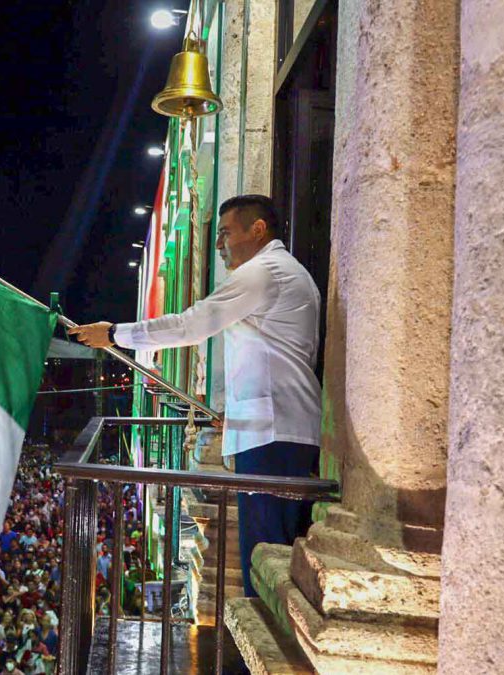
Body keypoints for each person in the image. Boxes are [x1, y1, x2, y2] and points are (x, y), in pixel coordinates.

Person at [69, 194, 322, 597]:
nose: (219, 244)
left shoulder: (264, 272)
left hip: (274, 433)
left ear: (258, 229)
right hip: (274, 428)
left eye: (225, 233)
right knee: (274, 554)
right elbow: (273, 357)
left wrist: (116, 334)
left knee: (268, 558)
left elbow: (192, 324)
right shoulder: (282, 272)